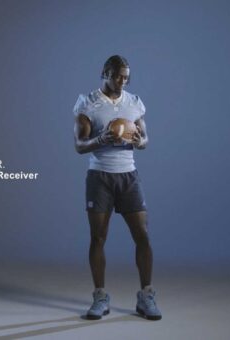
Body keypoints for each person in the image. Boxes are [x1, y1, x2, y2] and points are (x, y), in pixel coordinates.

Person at [73, 55, 162, 321]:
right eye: (117, 76)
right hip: (100, 177)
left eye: (126, 77)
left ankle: (146, 295)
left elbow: (145, 140)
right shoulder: (87, 102)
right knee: (98, 237)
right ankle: (100, 296)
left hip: (128, 176)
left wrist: (139, 140)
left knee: (142, 236)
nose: (122, 82)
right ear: (105, 73)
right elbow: (79, 145)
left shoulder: (134, 103)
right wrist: (102, 138)